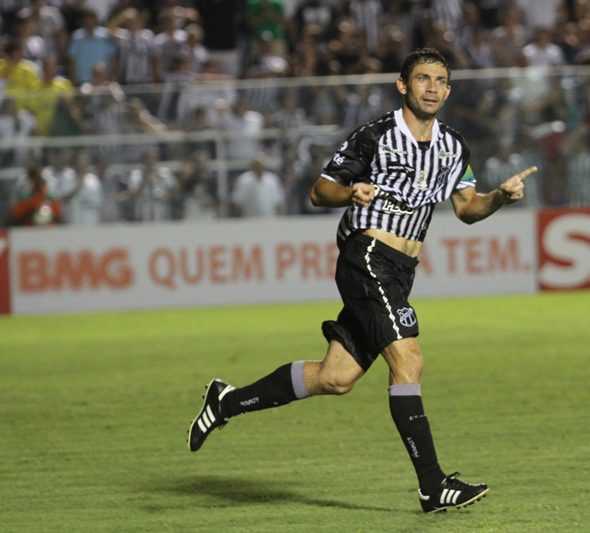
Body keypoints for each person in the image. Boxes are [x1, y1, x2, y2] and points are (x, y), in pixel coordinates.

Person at [187, 48, 535, 513]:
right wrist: (351, 190)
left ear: (448, 91)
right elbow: (320, 191)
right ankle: (433, 485)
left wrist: (500, 198)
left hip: (401, 271)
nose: (432, 87)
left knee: (336, 377)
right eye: (423, 79)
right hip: (367, 255)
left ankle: (226, 402)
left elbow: (469, 208)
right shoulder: (375, 137)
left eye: (439, 81)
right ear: (403, 85)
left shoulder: (454, 146)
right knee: (408, 361)